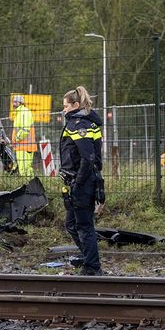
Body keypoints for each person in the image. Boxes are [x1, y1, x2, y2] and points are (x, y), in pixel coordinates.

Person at [59, 86, 105, 276]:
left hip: (82, 181)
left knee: (84, 225)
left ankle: (92, 267)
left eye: (66, 106)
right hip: (77, 180)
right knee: (71, 224)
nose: (63, 109)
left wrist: (77, 184)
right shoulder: (82, 122)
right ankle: (88, 256)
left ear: (76, 105)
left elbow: (88, 158)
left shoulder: (79, 125)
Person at [12, 95, 37, 176]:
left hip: (25, 146)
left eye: (16, 102)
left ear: (21, 103)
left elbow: (25, 129)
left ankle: (31, 186)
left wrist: (16, 138)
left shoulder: (24, 112)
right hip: (21, 146)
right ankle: (30, 186)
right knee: (24, 169)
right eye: (13, 101)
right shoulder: (19, 113)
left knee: (25, 170)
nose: (13, 104)